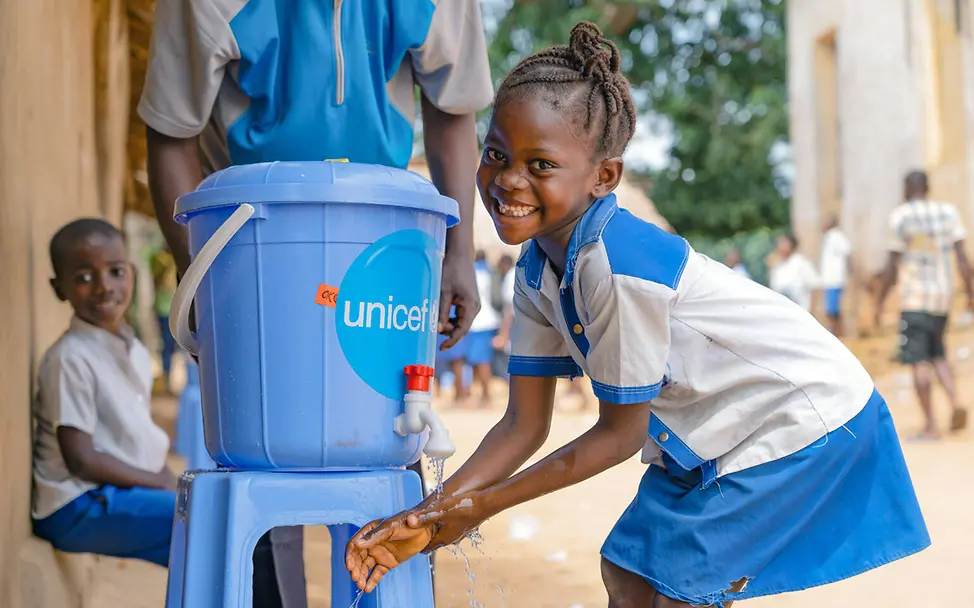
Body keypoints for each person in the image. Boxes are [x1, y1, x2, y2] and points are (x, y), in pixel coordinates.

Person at [343, 23, 929, 607]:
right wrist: (435, 510)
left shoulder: (618, 269)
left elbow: (619, 435)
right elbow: (524, 424)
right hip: (722, 427)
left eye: (541, 164)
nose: (508, 181)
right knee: (628, 575)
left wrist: (481, 506)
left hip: (802, 417)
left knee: (676, 587)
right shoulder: (534, 270)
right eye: (496, 155)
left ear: (605, 177)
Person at [139, 1, 493, 601]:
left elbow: (452, 108)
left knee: (382, 441)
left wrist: (457, 253)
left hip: (378, 232)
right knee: (264, 447)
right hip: (251, 237)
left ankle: (379, 586)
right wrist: (197, 272)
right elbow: (171, 133)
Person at [31, 219, 179, 567]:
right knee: (205, 524)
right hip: (75, 505)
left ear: (131, 273)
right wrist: (158, 480)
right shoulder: (70, 359)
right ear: (59, 288)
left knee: (203, 548)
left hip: (114, 494)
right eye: (83, 278)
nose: (103, 287)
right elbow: (81, 460)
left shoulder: (134, 350)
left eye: (115, 271)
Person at [875, 170, 971, 439]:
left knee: (918, 360)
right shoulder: (948, 212)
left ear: (907, 189)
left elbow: (892, 266)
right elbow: (963, 258)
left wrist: (880, 301)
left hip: (914, 298)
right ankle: (955, 401)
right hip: (942, 298)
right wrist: (971, 293)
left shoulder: (900, 217)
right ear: (928, 187)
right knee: (938, 354)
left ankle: (930, 425)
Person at [465, 251, 501, 407]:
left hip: (479, 322)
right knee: (480, 359)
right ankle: (480, 393)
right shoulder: (490, 272)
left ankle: (486, 396)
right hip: (490, 320)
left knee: (482, 360)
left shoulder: (472, 273)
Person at [149, 242, 178, 394]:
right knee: (167, 345)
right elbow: (159, 280)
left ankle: (169, 379)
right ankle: (166, 381)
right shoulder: (159, 259)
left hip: (176, 308)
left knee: (174, 347)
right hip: (164, 309)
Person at [768, 233, 820, 312]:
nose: (779, 245)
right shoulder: (777, 267)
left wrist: (811, 313)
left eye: (783, 242)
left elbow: (814, 287)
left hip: (801, 313)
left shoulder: (801, 263)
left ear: (791, 245)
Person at [819, 215, 853, 335]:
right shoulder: (828, 237)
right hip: (829, 279)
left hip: (835, 278)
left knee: (832, 310)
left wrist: (850, 271)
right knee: (832, 308)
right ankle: (836, 332)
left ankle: (834, 333)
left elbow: (847, 252)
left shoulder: (837, 236)